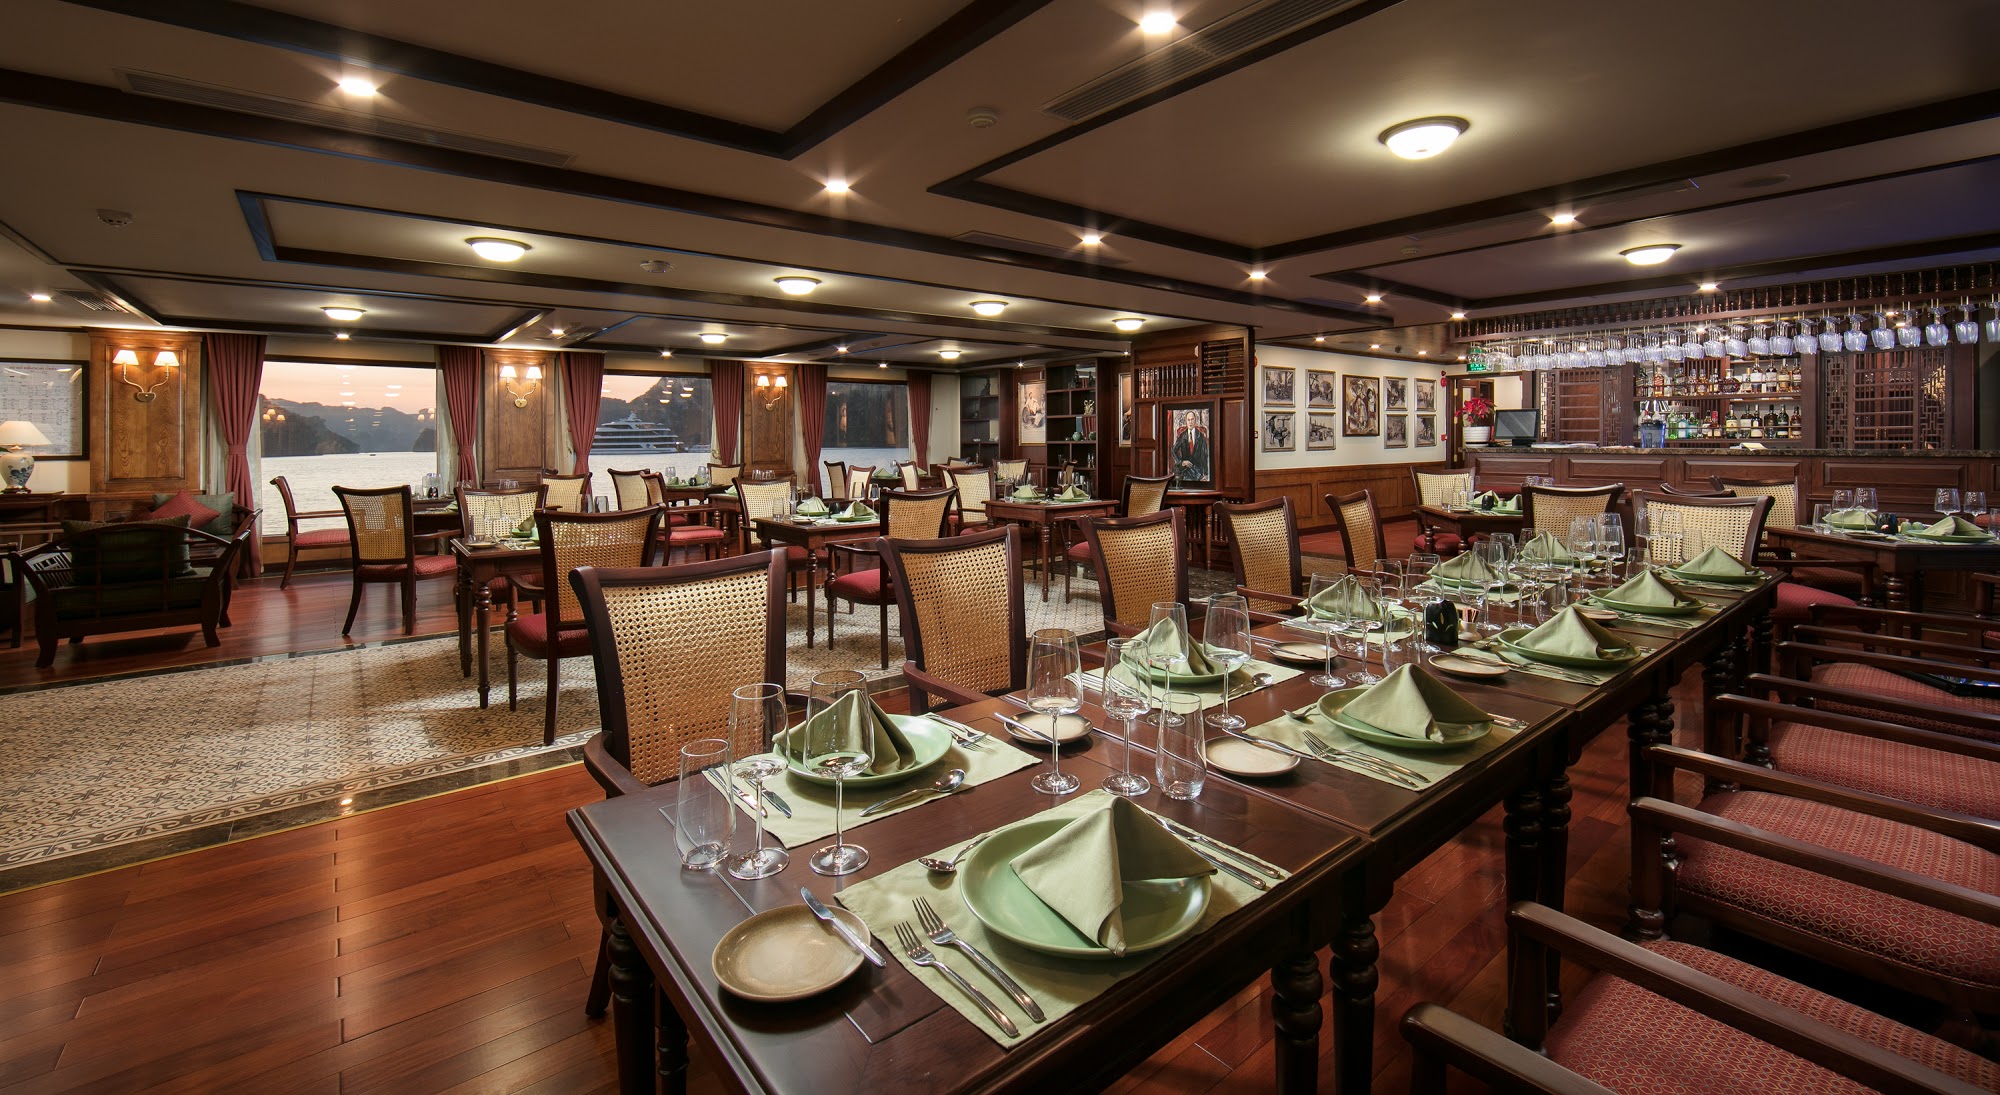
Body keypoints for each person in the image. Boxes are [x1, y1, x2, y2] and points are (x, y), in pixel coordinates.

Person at [1171, 410, 1210, 484]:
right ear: (1186, 421)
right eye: (1188, 420)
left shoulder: (1201, 436)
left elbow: (1204, 455)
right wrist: (1181, 462)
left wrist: (1205, 474)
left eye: (1192, 419)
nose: (1190, 422)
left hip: (1197, 471)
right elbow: (1174, 450)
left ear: (1195, 421)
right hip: (1185, 470)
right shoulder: (1182, 436)